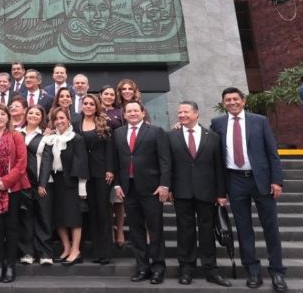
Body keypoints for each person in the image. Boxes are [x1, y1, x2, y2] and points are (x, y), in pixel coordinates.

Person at [210, 87, 287, 292]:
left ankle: (277, 272)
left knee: (271, 227)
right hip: (235, 181)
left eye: (236, 99)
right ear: (223, 102)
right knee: (243, 229)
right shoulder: (217, 123)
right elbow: (213, 152)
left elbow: (272, 152)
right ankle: (252, 271)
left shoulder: (259, 120)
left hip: (260, 179)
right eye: (228, 100)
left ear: (243, 101)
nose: (232, 102)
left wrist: (277, 181)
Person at [168, 101, 231, 287]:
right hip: (182, 192)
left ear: (196, 113)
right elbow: (168, 165)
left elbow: (219, 167)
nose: (181, 115)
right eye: (179, 112)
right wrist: (169, 188)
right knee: (184, 231)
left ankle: (210, 269)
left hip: (207, 192)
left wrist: (221, 193)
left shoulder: (213, 137)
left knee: (207, 232)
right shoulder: (171, 136)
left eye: (185, 112)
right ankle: (186, 269)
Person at [112, 100, 171, 285]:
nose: (132, 113)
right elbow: (114, 161)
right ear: (124, 114)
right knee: (136, 231)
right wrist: (116, 184)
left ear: (143, 112)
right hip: (128, 189)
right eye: (128, 111)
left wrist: (164, 185)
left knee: (155, 230)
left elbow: (165, 161)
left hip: (152, 188)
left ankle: (158, 268)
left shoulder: (156, 131)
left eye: (135, 110)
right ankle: (142, 267)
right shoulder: (118, 133)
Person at [0, 103, 30, 283]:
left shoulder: (16, 136)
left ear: (8, 117)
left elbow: (21, 162)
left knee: (11, 227)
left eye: (3, 114)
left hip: (13, 188)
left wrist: (6, 181)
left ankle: (10, 266)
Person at [73, 94, 114, 265]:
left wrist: (110, 169)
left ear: (96, 106)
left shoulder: (104, 122)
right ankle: (89, 251)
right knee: (87, 212)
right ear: (82, 106)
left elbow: (110, 148)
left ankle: (103, 253)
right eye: (86, 103)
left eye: (91, 104)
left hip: (101, 171)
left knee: (102, 212)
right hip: (83, 172)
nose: (88, 106)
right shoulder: (75, 123)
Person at [48, 106, 88, 266]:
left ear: (68, 119)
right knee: (58, 218)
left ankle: (76, 250)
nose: (59, 122)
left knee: (74, 217)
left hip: (71, 182)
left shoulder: (76, 138)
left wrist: (82, 186)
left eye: (62, 118)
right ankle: (66, 248)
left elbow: (82, 163)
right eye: (56, 119)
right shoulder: (51, 138)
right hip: (55, 181)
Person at [18, 105, 54, 265]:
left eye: (37, 114)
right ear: (26, 115)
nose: (33, 116)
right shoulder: (16, 133)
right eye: (30, 113)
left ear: (42, 117)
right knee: (25, 218)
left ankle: (45, 253)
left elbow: (47, 161)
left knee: (43, 218)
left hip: (40, 184)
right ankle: (27, 253)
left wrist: (43, 184)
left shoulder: (46, 136)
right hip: (21, 184)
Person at [100, 85, 125, 247]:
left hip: (117, 158)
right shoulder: (95, 111)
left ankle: (120, 230)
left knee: (118, 199)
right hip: (99, 160)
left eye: (111, 94)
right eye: (106, 94)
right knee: (105, 200)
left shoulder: (120, 112)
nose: (109, 96)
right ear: (100, 95)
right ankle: (109, 228)